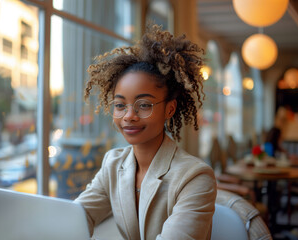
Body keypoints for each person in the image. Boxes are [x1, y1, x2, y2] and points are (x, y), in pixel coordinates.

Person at [75, 24, 217, 240]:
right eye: (120, 105)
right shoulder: (113, 165)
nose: (128, 116)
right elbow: (76, 217)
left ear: (169, 108)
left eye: (143, 105)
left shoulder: (194, 177)